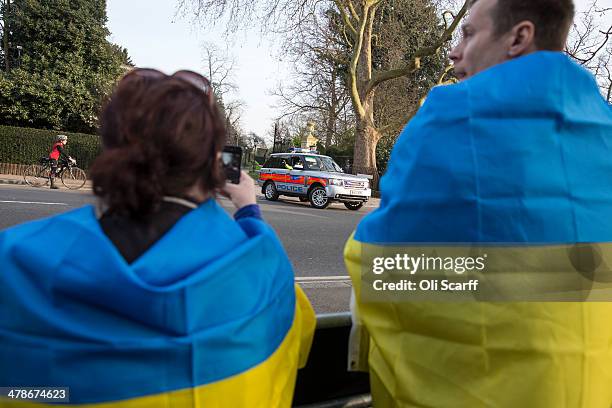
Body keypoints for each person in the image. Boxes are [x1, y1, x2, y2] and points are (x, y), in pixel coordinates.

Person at [345, 0, 612, 406]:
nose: (454, 50)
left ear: (519, 37)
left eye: (469, 34)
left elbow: (379, 266)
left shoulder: (445, 118)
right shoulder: (604, 129)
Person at [0, 68, 315, 406]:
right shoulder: (270, 277)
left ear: (111, 148)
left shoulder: (11, 262)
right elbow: (298, 344)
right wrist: (249, 212)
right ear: (213, 163)